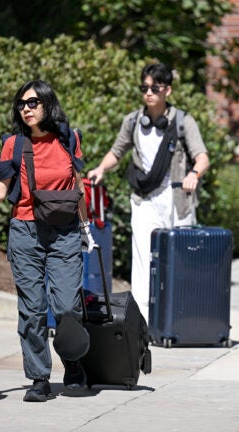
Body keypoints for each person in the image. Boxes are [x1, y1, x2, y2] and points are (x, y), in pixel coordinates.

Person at [0, 79, 93, 403]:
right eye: (22, 104)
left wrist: (86, 227)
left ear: (48, 104)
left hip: (64, 232)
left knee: (67, 306)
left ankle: (74, 365)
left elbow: (79, 186)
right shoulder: (13, 144)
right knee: (32, 310)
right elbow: (1, 191)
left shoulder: (68, 138)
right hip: (25, 232)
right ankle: (39, 379)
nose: (26, 109)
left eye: (33, 103)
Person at [86, 63, 209, 318]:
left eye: (155, 87)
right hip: (144, 199)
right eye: (144, 87)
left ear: (168, 90)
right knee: (143, 260)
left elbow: (203, 157)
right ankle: (142, 322)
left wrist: (194, 174)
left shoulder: (184, 121)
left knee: (180, 260)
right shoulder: (132, 121)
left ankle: (180, 318)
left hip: (176, 199)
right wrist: (101, 168)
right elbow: (117, 151)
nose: (149, 92)